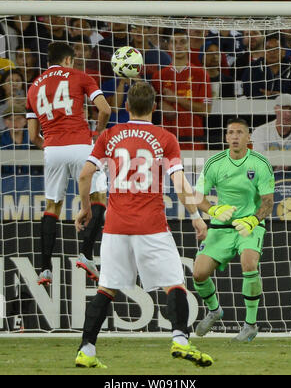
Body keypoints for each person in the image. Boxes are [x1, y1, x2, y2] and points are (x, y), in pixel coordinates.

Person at [74, 81, 213, 369]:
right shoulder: (165, 137)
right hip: (151, 225)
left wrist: (86, 210)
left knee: (106, 288)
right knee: (174, 282)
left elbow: (85, 175)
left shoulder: (109, 135)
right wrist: (197, 217)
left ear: (126, 108)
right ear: (154, 107)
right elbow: (179, 185)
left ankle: (86, 350)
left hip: (115, 226)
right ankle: (180, 340)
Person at [26, 42, 111, 286]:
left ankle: (44, 269)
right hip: (81, 145)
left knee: (52, 206)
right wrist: (98, 132)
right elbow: (104, 109)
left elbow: (33, 136)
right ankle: (86, 253)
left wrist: (50, 146)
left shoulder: (34, 86)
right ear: (68, 61)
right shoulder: (80, 76)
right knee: (98, 198)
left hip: (52, 149)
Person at [193, 117, 275, 342]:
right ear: (226, 137)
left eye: (240, 132)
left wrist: (253, 220)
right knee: (199, 274)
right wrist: (214, 211)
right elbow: (197, 197)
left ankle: (250, 325)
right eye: (231, 132)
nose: (235, 136)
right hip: (221, 226)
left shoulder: (260, 163)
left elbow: (268, 202)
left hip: (250, 225)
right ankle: (214, 310)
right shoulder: (215, 163)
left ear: (249, 138)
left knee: (249, 264)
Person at [152, 28, 212, 150]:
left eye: (182, 42)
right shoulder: (159, 76)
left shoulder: (200, 74)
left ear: (188, 45)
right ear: (168, 46)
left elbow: (206, 110)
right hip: (167, 142)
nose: (178, 46)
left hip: (194, 140)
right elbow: (152, 107)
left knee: (195, 169)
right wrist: (160, 104)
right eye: (174, 42)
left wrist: (176, 99)